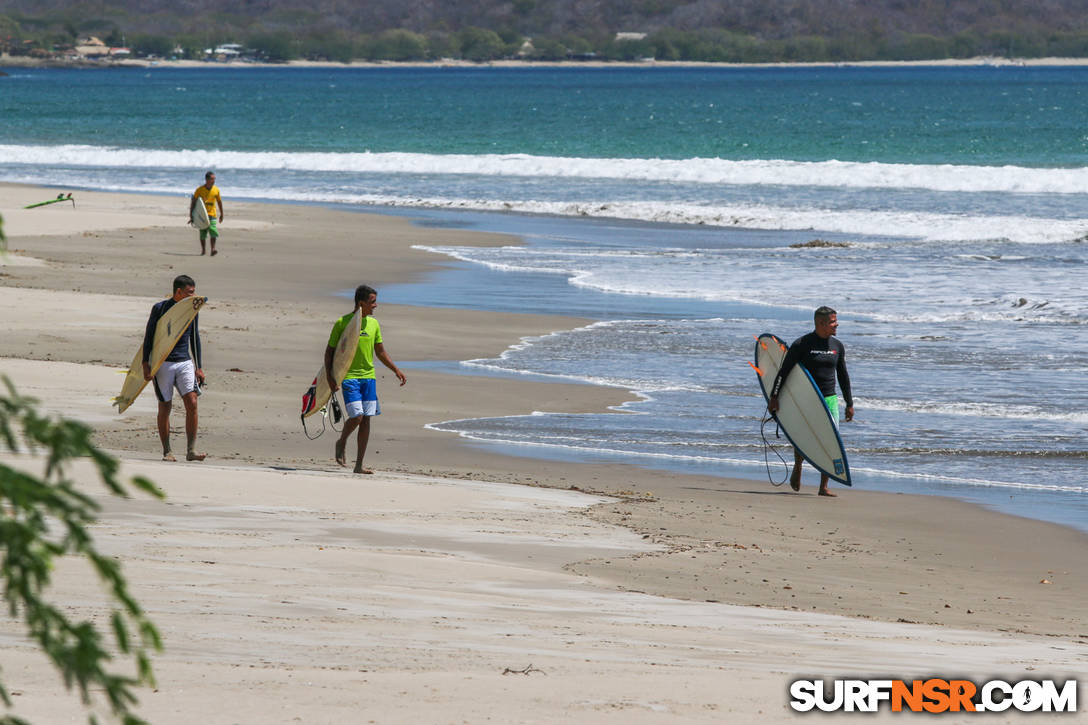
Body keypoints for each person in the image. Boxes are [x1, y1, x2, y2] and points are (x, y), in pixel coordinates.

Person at [768, 305, 854, 497]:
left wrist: (849, 403)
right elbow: (784, 372)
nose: (836, 324)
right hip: (807, 398)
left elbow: (843, 376)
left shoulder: (837, 346)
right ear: (821, 323)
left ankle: (823, 486)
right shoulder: (802, 344)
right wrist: (774, 397)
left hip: (829, 399)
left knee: (831, 441)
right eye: (833, 321)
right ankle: (798, 465)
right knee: (804, 435)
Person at [325, 284, 407, 474]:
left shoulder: (374, 324)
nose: (376, 305)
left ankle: (359, 465)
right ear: (361, 303)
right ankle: (342, 440)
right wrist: (330, 377)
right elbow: (329, 352)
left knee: (367, 419)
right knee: (358, 416)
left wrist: (395, 369)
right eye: (372, 302)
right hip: (349, 376)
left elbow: (380, 351)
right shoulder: (342, 323)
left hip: (368, 377)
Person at [143, 274, 206, 462]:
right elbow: (149, 337)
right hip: (163, 363)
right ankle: (167, 451)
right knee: (165, 406)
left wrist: (199, 366)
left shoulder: (192, 309)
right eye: (189, 292)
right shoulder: (160, 308)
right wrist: (146, 363)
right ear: (178, 292)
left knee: (192, 403)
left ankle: (191, 450)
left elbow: (195, 337)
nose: (193, 296)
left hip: (184, 361)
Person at [189, 171, 224, 256]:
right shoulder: (199, 190)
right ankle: (203, 250)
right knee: (203, 233)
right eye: (212, 179)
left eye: (214, 179)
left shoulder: (216, 190)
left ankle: (213, 249)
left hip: (212, 214)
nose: (214, 180)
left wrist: (222, 213)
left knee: (213, 230)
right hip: (202, 214)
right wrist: (191, 214)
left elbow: (219, 202)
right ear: (207, 179)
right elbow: (194, 202)